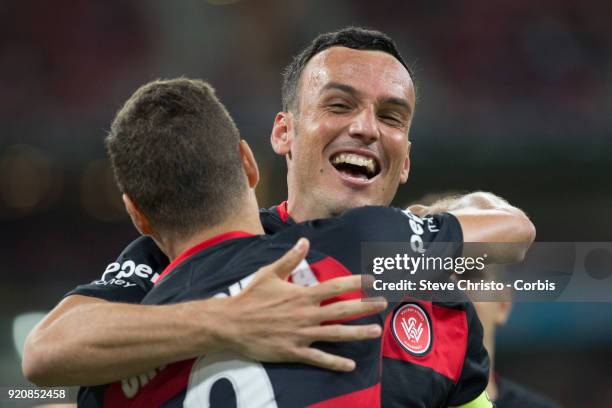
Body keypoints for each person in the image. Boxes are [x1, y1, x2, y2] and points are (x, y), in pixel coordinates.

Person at [24, 27, 535, 406]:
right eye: (339, 105)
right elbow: (47, 351)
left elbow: (516, 234)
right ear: (282, 134)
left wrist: (424, 228)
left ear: (405, 160)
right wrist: (227, 321)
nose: (365, 127)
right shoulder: (180, 257)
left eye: (390, 116)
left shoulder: (416, 270)